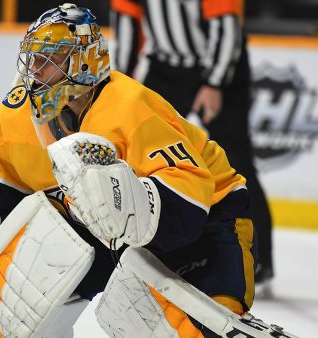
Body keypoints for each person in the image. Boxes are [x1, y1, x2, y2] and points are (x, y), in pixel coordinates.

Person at [0, 4, 295, 337]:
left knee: (181, 326)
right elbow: (4, 171)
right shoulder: (22, 111)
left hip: (210, 221)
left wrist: (130, 204)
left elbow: (188, 207)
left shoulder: (130, 107)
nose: (34, 74)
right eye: (32, 61)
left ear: (84, 61)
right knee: (15, 306)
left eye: (48, 61)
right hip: (102, 223)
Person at [110, 0, 274, 295]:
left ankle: (259, 262)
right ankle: (142, 250)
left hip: (224, 66)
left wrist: (214, 83)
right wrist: (118, 86)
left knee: (238, 162)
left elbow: (226, 26)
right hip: (166, 68)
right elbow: (127, 27)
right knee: (139, 157)